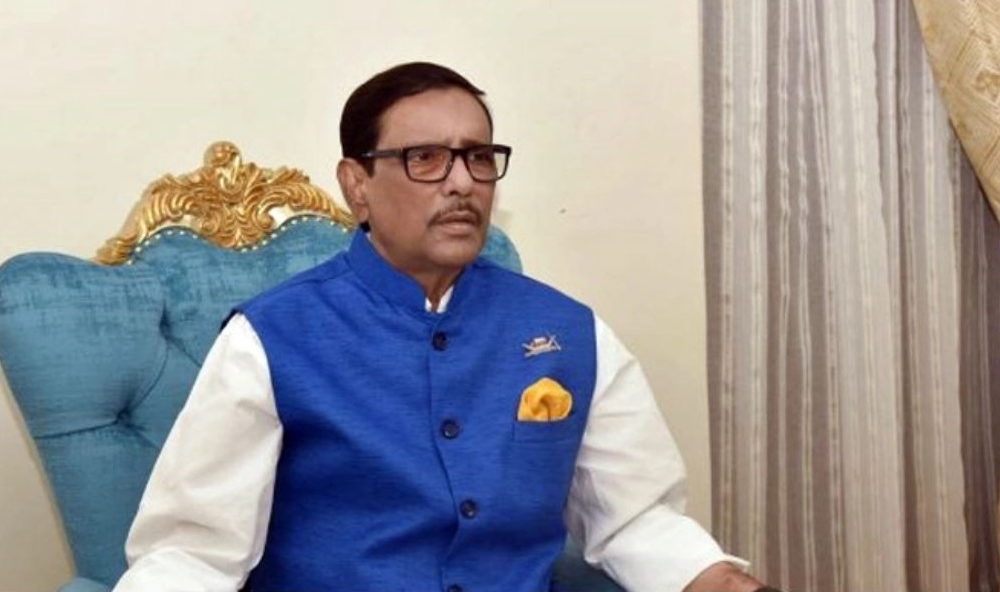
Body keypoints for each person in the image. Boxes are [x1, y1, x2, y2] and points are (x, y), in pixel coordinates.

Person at [113, 62, 771, 592]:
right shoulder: (271, 338)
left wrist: (714, 577)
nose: (462, 183)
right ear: (357, 184)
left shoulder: (569, 332)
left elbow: (636, 520)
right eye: (425, 158)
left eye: (478, 157)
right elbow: (193, 555)